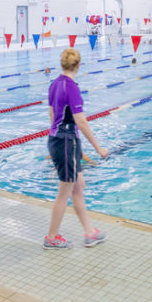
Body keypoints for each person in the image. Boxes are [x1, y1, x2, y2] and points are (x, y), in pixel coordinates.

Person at [44, 48, 109, 250]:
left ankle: (89, 232)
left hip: (62, 139)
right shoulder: (71, 87)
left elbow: (52, 114)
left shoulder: (54, 84)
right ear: (78, 65)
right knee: (65, 192)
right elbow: (81, 121)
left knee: (78, 187)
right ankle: (51, 237)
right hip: (66, 141)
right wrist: (98, 148)